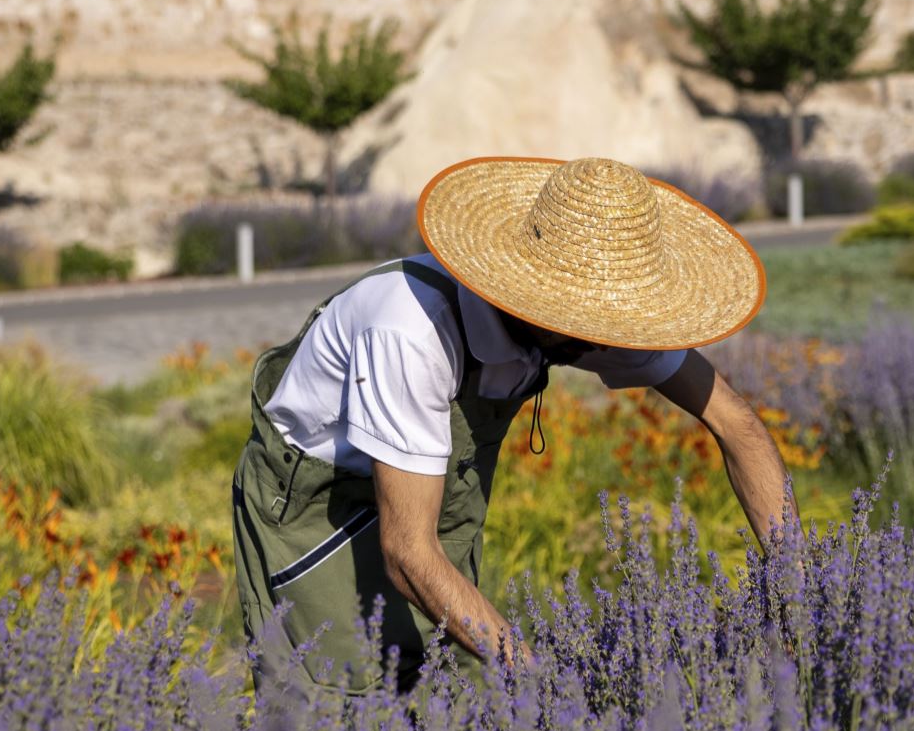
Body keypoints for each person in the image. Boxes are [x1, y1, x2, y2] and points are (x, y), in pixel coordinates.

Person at [231, 156, 796, 693]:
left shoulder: (595, 317)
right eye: (591, 324)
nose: (611, 340)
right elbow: (408, 552)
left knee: (448, 700)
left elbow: (735, 424)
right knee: (334, 712)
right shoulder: (411, 334)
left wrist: (797, 589)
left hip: (427, 503)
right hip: (317, 510)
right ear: (532, 299)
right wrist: (544, 686)